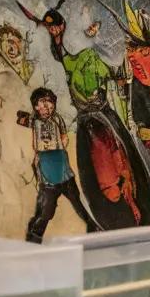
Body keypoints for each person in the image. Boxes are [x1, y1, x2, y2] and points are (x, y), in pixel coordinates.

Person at [23, 86, 99, 242]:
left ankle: (94, 226)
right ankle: (35, 235)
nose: (47, 108)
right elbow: (24, 120)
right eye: (42, 104)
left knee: (78, 202)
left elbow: (64, 136)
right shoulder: (35, 120)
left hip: (64, 172)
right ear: (36, 106)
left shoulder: (57, 119)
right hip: (48, 176)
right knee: (46, 211)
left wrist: (62, 141)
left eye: (50, 104)